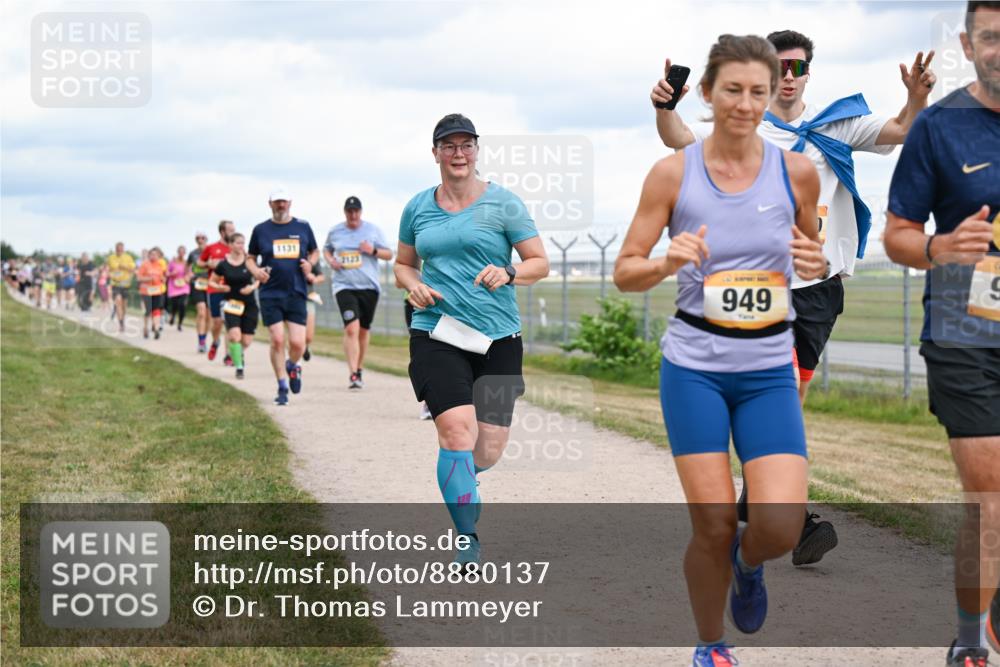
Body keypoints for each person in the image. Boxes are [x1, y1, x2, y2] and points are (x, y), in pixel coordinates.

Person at [651, 31, 937, 567]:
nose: (787, 75)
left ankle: (754, 498)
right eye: (778, 66)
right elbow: (680, 139)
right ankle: (794, 517)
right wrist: (666, 108)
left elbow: (901, 130)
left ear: (808, 73)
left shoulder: (839, 124)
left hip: (820, 289)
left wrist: (916, 97)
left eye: (796, 66)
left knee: (791, 405)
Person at [617, 35, 827, 667]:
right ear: (706, 93)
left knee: (780, 526)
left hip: (767, 369)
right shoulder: (673, 173)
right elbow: (625, 270)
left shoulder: (796, 173)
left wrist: (813, 259)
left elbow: (809, 250)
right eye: (732, 89)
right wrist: (664, 261)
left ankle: (749, 562)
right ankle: (711, 646)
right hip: (695, 370)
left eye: (758, 91)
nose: (745, 103)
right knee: (711, 523)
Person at [884, 4, 999, 665]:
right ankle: (970, 640)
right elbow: (897, 233)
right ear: (968, 43)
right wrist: (939, 246)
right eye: (991, 38)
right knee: (990, 499)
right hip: (965, 339)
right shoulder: (939, 127)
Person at [394, 113, 549, 568]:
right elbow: (404, 263)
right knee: (458, 432)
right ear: (436, 152)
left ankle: (462, 479)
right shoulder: (417, 207)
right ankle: (466, 536)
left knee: (490, 448)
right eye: (449, 146)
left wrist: (510, 271)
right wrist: (412, 283)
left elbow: (540, 262)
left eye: (466, 145)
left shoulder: (504, 204)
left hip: (498, 336)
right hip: (437, 331)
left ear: (477, 151)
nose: (458, 154)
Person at [247, 187, 319, 406]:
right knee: (277, 339)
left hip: (296, 291)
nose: (281, 205)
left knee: (298, 343)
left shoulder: (303, 227)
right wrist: (255, 271)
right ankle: (281, 386)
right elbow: (250, 257)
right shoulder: (261, 229)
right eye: (277, 202)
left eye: (284, 202)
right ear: (270, 204)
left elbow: (314, 252)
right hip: (270, 292)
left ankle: (292, 366)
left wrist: (311, 264)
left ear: (290, 203)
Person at [323, 196, 393, 388]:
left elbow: (389, 254)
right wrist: (331, 261)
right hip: (344, 286)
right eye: (349, 211)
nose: (353, 215)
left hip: (369, 287)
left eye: (356, 211)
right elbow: (326, 250)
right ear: (345, 212)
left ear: (360, 212)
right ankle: (353, 373)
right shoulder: (335, 231)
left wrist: (373, 250)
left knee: (363, 330)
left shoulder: (372, 230)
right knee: (351, 328)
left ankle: (359, 368)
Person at [207, 233, 259, 380]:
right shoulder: (223, 265)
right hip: (231, 304)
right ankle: (239, 367)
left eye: (243, 243)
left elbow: (259, 278)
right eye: (238, 243)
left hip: (249, 304)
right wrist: (220, 288)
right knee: (235, 335)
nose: (241, 246)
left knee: (247, 340)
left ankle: (237, 353)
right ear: (230, 245)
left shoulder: (250, 262)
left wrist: (252, 287)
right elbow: (212, 282)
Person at [200, 221, 236, 362]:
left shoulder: (237, 248)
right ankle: (215, 341)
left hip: (231, 290)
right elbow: (199, 263)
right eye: (230, 230)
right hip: (215, 288)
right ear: (222, 232)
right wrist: (209, 263)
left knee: (229, 322)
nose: (233, 233)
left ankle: (228, 354)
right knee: (217, 322)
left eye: (234, 230)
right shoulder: (211, 248)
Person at [136, 247, 167, 339]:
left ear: (158, 256)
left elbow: (162, 277)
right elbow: (139, 278)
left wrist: (163, 279)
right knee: (148, 311)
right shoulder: (144, 265)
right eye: (152, 254)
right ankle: (145, 328)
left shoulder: (160, 265)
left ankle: (156, 329)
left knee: (156, 310)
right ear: (149, 255)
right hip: (146, 291)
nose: (154, 256)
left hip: (157, 291)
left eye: (156, 255)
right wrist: (149, 279)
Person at [187, 233, 210, 352]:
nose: (200, 240)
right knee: (201, 312)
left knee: (209, 316)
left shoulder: (212, 252)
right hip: (197, 284)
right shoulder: (193, 254)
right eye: (198, 238)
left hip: (211, 284)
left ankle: (204, 338)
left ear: (206, 239)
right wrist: (189, 275)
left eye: (202, 238)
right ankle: (201, 342)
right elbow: (188, 267)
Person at [107, 242, 136, 332]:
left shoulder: (128, 257)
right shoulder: (111, 258)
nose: (119, 251)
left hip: (125, 284)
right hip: (116, 284)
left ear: (123, 249)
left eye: (121, 249)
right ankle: (121, 323)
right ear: (115, 249)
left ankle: (122, 320)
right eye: (117, 249)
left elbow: (132, 270)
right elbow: (109, 269)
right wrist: (111, 275)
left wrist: (123, 267)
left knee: (124, 306)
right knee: (118, 301)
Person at [303, 260, 325, 362]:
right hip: (291, 298)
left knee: (308, 336)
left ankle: (306, 346)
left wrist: (314, 279)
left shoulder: (311, 257)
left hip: (308, 297)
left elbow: (321, 277)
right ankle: (294, 360)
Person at [167, 246, 191, 331]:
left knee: (182, 305)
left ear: (185, 253)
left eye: (183, 252)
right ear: (178, 252)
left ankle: (180, 323)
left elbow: (190, 273)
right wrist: (172, 273)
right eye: (180, 251)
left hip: (184, 286)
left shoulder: (187, 263)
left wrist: (188, 277)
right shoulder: (172, 262)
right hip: (174, 286)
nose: (181, 253)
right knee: (175, 305)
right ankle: (173, 316)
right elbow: (166, 273)